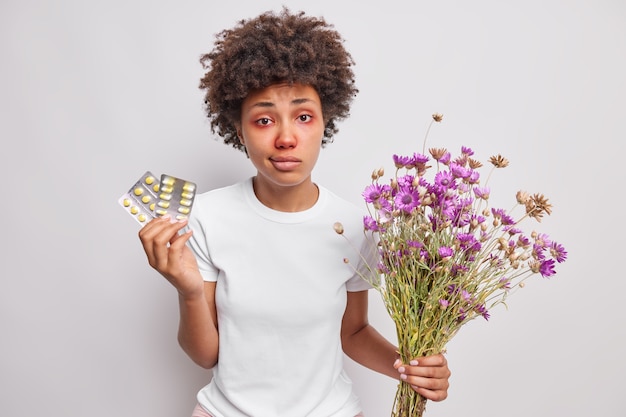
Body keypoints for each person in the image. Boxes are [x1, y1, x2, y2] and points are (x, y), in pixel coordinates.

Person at [138, 8, 451, 417]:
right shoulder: (207, 217)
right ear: (239, 129)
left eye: (304, 117)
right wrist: (189, 289)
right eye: (264, 119)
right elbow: (206, 356)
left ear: (325, 122)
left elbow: (353, 332)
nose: (286, 138)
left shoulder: (358, 226)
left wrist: (413, 371)